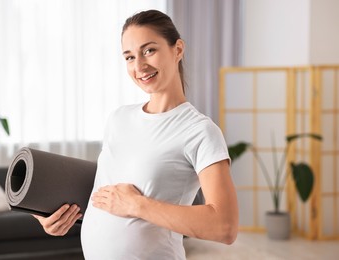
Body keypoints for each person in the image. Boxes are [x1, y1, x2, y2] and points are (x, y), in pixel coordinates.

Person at [33, 9, 238, 259]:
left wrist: (137, 205)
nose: (139, 66)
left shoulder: (200, 131)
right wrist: (56, 214)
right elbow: (107, 196)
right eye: (129, 57)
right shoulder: (119, 118)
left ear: (178, 49)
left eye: (149, 50)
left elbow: (224, 226)